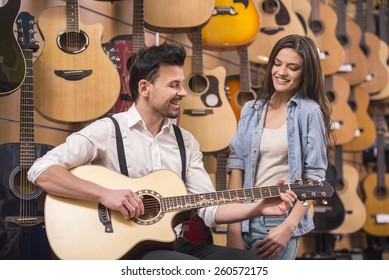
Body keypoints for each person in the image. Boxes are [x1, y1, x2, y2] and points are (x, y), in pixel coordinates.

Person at [27, 42, 297, 260]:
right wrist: (105, 194)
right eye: (174, 85)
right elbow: (41, 171)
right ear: (145, 88)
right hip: (123, 251)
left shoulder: (186, 142)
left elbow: (209, 207)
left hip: (172, 244)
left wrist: (258, 208)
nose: (183, 93)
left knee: (252, 265)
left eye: (181, 83)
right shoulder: (108, 130)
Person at [226, 35, 335, 260]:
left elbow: (314, 178)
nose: (281, 72)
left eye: (292, 67)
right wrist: (233, 228)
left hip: (278, 221)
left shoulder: (309, 112)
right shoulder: (251, 110)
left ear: (305, 73)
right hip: (243, 217)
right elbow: (236, 166)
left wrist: (289, 228)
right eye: (277, 63)